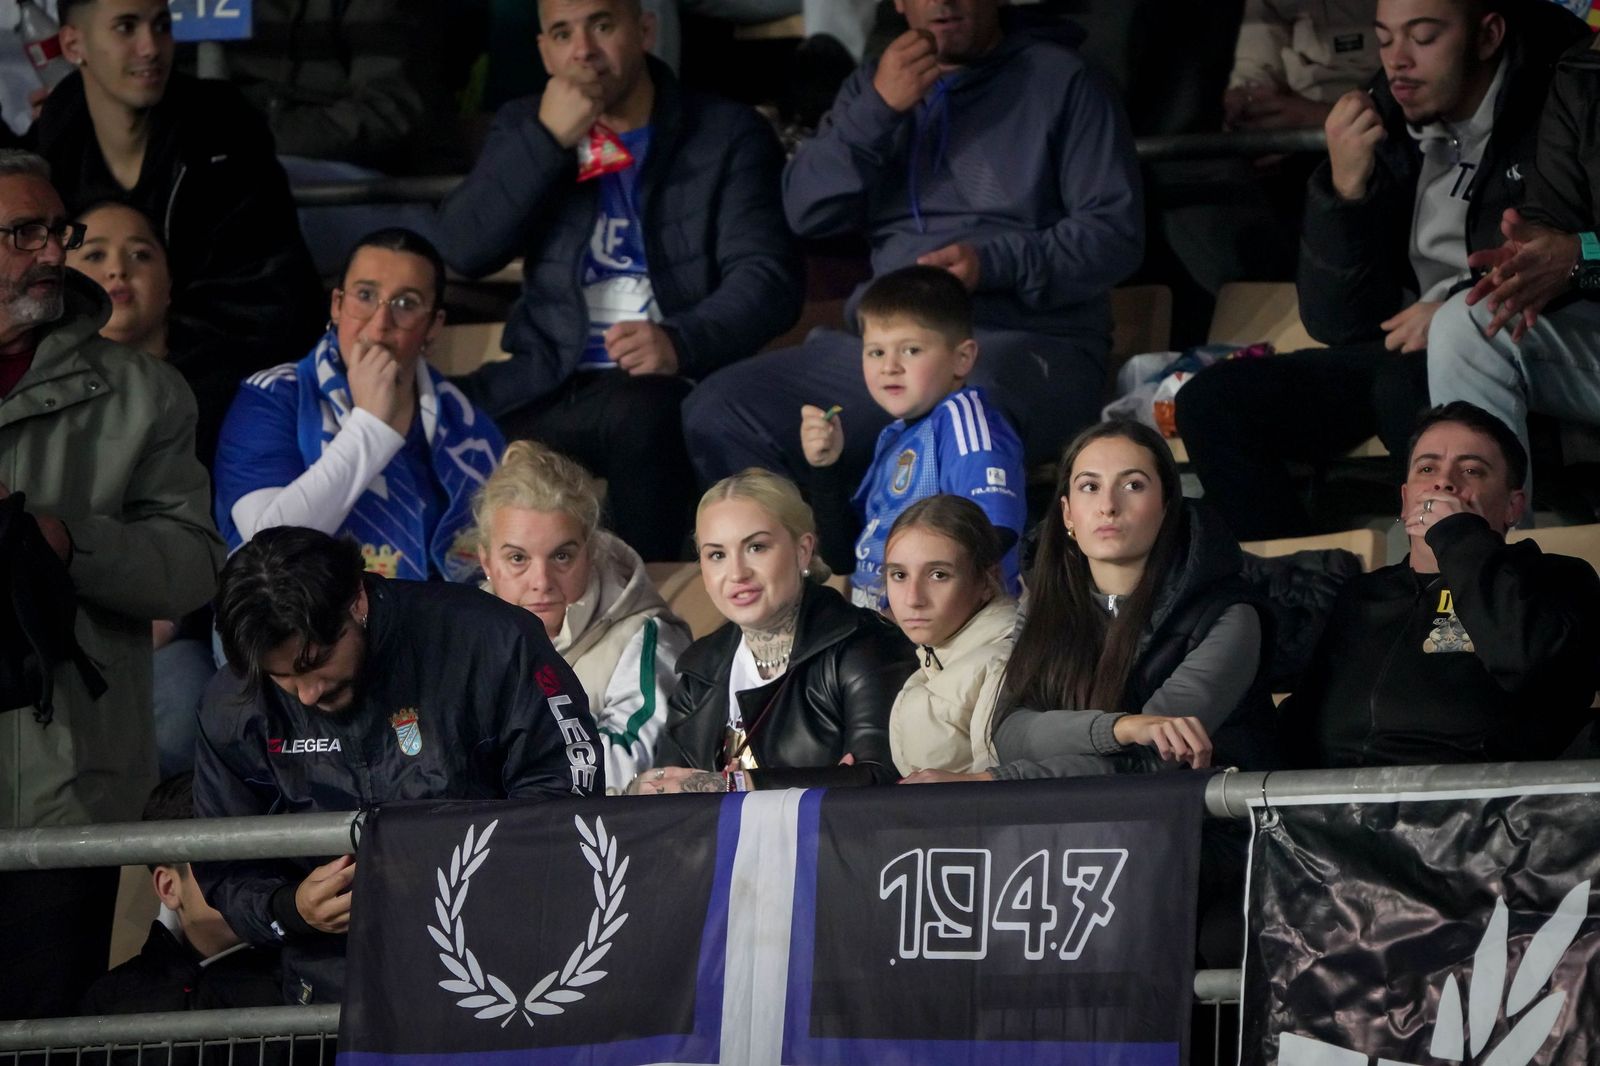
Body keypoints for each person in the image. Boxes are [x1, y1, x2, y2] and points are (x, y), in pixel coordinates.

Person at [681, 0, 1144, 486]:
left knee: (963, 412)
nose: (942, 3)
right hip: (889, 347)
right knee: (719, 408)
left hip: (1022, 342)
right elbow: (805, 212)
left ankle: (957, 563)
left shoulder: (1064, 80)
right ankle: (811, 559)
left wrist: (990, 264)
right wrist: (876, 111)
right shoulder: (874, 87)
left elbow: (1115, 234)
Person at [1176, 0, 1590, 540]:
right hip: (1397, 345)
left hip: (1510, 338)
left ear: (1487, 37)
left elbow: (1554, 255)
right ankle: (1292, 585)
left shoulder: (1550, 106)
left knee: (1406, 390)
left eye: (1422, 37)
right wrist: (1345, 190)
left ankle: (1454, 579)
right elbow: (1336, 321)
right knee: (1214, 403)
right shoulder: (1389, 115)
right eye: (1385, 37)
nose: (1398, 60)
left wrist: (1451, 304)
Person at [437, 0, 800, 562]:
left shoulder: (725, 132)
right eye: (563, 33)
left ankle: (645, 605)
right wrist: (545, 140)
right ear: (544, 50)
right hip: (546, 379)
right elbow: (462, 249)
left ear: (644, 30)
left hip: (662, 386)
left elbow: (768, 280)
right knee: (426, 413)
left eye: (601, 25)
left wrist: (680, 340)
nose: (583, 50)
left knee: (644, 414)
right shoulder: (525, 126)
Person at [193, 526, 604, 1004]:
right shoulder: (232, 704)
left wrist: (474, 886)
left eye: (316, 661)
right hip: (333, 993)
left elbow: (566, 783)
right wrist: (291, 908)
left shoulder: (490, 638)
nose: (307, 693)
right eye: (281, 676)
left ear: (357, 602)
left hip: (500, 974)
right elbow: (224, 864)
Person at [0, 149, 223, 1019]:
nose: (52, 251)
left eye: (59, 231)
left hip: (66, 792)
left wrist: (62, 539)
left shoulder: (144, 394)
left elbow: (192, 566)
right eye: (24, 233)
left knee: (41, 1030)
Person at [33, 0, 325, 469]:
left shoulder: (224, 133)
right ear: (73, 43)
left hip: (223, 398)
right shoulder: (50, 152)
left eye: (162, 26)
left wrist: (153, 353)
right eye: (126, 27)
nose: (151, 47)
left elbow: (274, 306)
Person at [903, 420, 1276, 785]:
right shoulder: (1044, 603)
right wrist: (1121, 727)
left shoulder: (1228, 615)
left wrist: (990, 781)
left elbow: (1153, 760)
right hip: (1084, 825)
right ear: (1067, 514)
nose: (1108, 506)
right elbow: (1009, 732)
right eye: (1090, 487)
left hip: (1212, 829)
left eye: (1133, 485)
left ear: (1166, 507)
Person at [1282, 402, 1600, 769]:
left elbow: (1532, 668)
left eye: (1471, 470)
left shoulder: (1556, 579)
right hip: (1325, 812)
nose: (1444, 482)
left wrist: (1458, 536)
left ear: (1513, 507)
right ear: (1404, 501)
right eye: (1427, 468)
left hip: (1480, 814)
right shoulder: (1359, 596)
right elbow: (1303, 721)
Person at [214, 229, 503, 582]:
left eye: (406, 304)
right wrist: (370, 428)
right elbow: (268, 549)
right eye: (365, 296)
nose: (380, 325)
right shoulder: (272, 399)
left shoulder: (470, 430)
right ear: (337, 305)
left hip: (430, 625)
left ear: (433, 327)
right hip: (289, 623)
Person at [636, 468, 916, 794]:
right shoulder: (700, 668)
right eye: (716, 555)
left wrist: (735, 784)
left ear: (803, 550)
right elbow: (671, 792)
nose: (737, 573)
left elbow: (883, 782)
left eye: (756, 547)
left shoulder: (866, 646)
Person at [67, 198, 211, 777]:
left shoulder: (223, 393)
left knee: (186, 709)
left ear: (170, 284)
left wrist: (171, 613)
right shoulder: (35, 395)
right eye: (95, 253)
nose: (117, 270)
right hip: (57, 632)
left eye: (139, 254)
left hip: (180, 634)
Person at [1427, 31, 1600, 508]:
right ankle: (1485, 568)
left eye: (1423, 36)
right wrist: (1530, 259)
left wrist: (1583, 254)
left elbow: (1581, 249)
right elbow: (1557, 216)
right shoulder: (1582, 68)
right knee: (1466, 323)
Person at [472, 439, 692, 793]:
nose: (540, 582)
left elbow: (624, 769)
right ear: (486, 562)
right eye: (517, 559)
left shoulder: (645, 636)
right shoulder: (460, 639)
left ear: (591, 552)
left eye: (562, 557)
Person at [801, 265, 1025, 611]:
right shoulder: (895, 434)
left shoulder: (965, 422)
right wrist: (826, 468)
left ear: (962, 358)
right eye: (876, 352)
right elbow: (842, 556)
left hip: (948, 641)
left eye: (911, 350)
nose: (889, 366)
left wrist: (912, 602)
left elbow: (992, 532)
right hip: (884, 633)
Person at [80, 774, 282, 1015]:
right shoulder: (110, 999)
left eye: (257, 857)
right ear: (168, 887)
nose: (252, 881)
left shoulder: (302, 983)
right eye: (222, 862)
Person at [883, 495, 1016, 777]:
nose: (913, 598)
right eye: (899, 575)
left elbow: (1007, 803)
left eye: (938, 575)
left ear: (985, 580)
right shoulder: (931, 661)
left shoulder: (1001, 665)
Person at [1224, 0, 1381, 132]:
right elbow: (1255, 64)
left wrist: (1317, 116)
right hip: (1294, 126)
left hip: (1381, 127)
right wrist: (1244, 96)